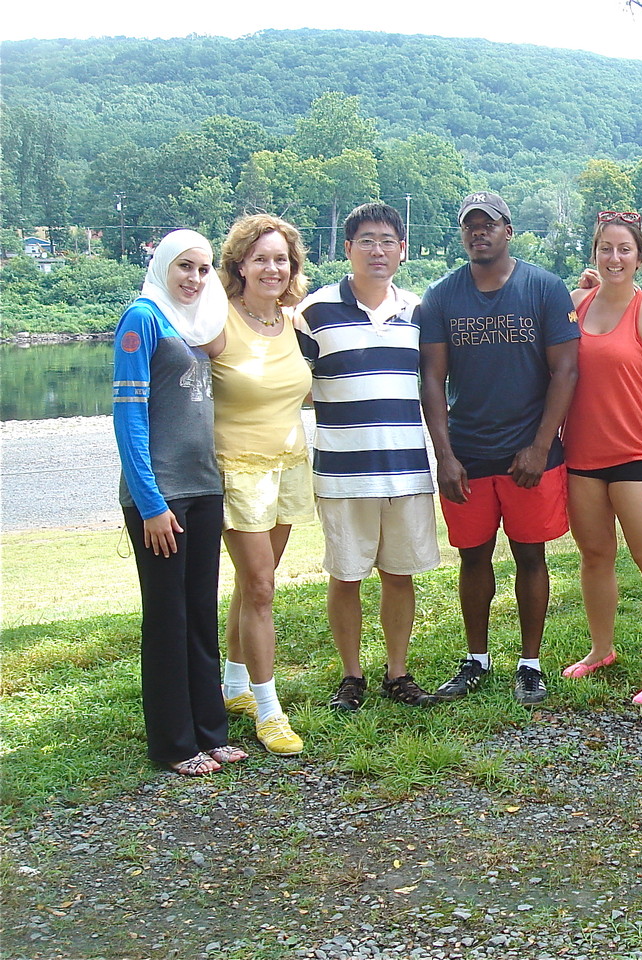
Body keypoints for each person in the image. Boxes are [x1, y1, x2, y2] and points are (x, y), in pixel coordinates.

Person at [419, 191, 580, 706]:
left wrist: (539, 446)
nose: (478, 233)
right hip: (469, 452)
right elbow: (432, 379)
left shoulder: (545, 289)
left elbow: (566, 370)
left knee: (531, 555)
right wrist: (445, 455)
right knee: (473, 557)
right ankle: (477, 659)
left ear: (508, 230)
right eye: (469, 226)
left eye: (487, 225)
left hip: (528, 454)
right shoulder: (441, 297)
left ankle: (530, 664)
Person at [112, 228, 247, 775]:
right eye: (184, 267)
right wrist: (149, 503)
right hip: (161, 496)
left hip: (204, 488)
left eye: (204, 267)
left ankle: (210, 731)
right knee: (167, 618)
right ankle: (173, 744)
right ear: (163, 267)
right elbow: (128, 420)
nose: (195, 277)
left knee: (200, 613)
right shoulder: (142, 319)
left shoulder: (197, 322)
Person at [297, 202, 441, 712]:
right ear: (348, 248)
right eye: (366, 241)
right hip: (342, 471)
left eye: (387, 241)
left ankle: (398, 672)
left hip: (406, 470)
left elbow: (436, 382)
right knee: (347, 573)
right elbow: (294, 385)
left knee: (399, 574)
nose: (377, 250)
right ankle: (352, 675)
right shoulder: (314, 311)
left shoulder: (420, 311)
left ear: (402, 250)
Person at [560, 211, 642, 705]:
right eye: (606, 249)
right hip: (582, 458)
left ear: (639, 256)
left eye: (625, 249)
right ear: (595, 253)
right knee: (595, 557)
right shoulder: (577, 304)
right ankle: (600, 650)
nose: (615, 258)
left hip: (636, 457)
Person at [209, 214, 313, 756]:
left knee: (255, 583)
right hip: (237, 469)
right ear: (240, 265)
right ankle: (269, 710)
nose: (272, 268)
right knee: (262, 588)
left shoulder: (293, 322)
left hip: (289, 465)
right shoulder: (218, 320)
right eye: (261, 258)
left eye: (282, 259)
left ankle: (233, 687)